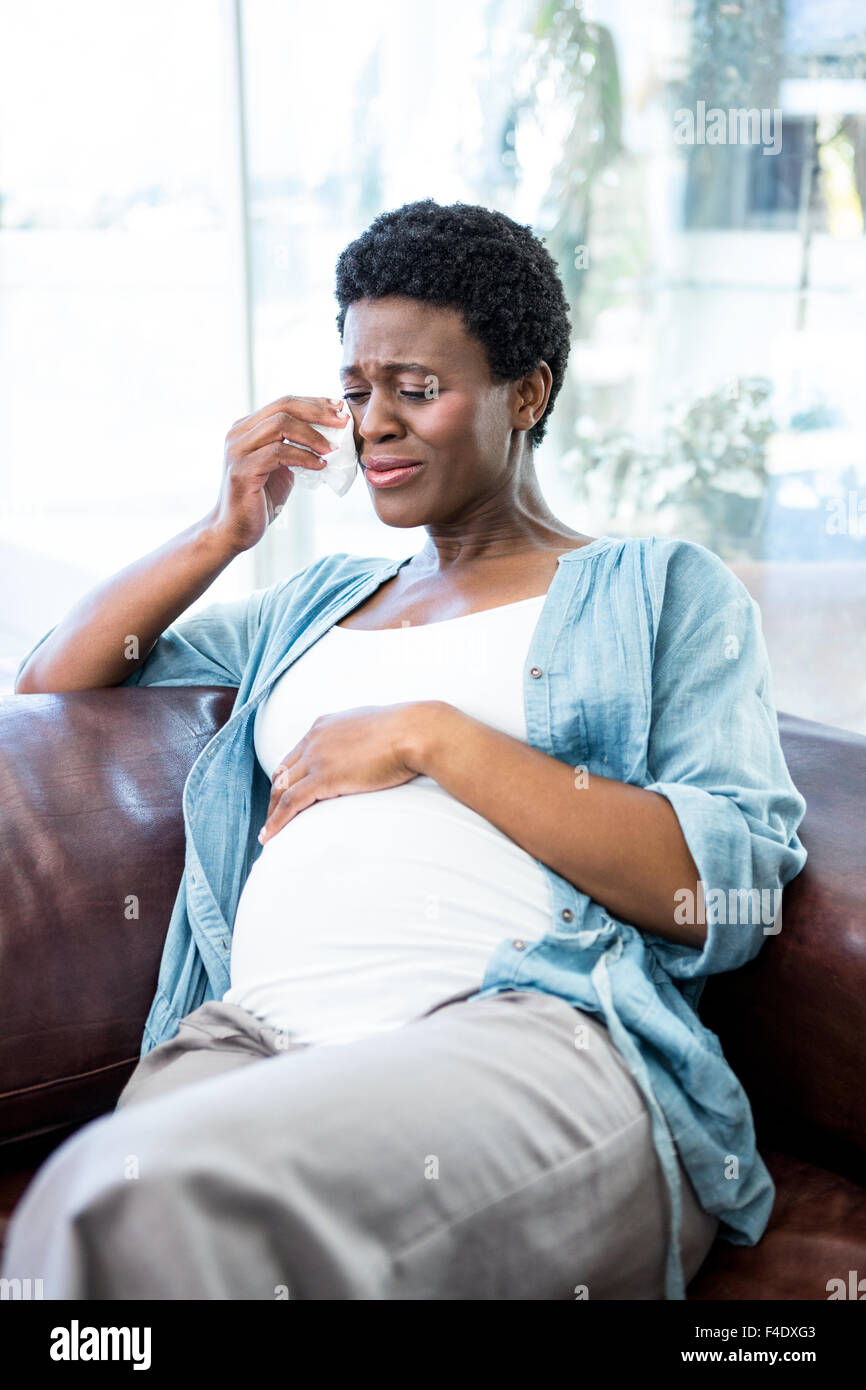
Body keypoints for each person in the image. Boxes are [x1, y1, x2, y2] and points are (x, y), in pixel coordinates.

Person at [3, 199, 807, 1301]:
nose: (372, 421)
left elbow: (721, 892)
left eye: (415, 389)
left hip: (521, 1034)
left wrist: (433, 738)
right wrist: (223, 529)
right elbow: (56, 680)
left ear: (525, 393)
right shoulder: (320, 602)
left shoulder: (657, 590)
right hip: (247, 1045)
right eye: (354, 389)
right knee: (83, 1245)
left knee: (135, 1211)